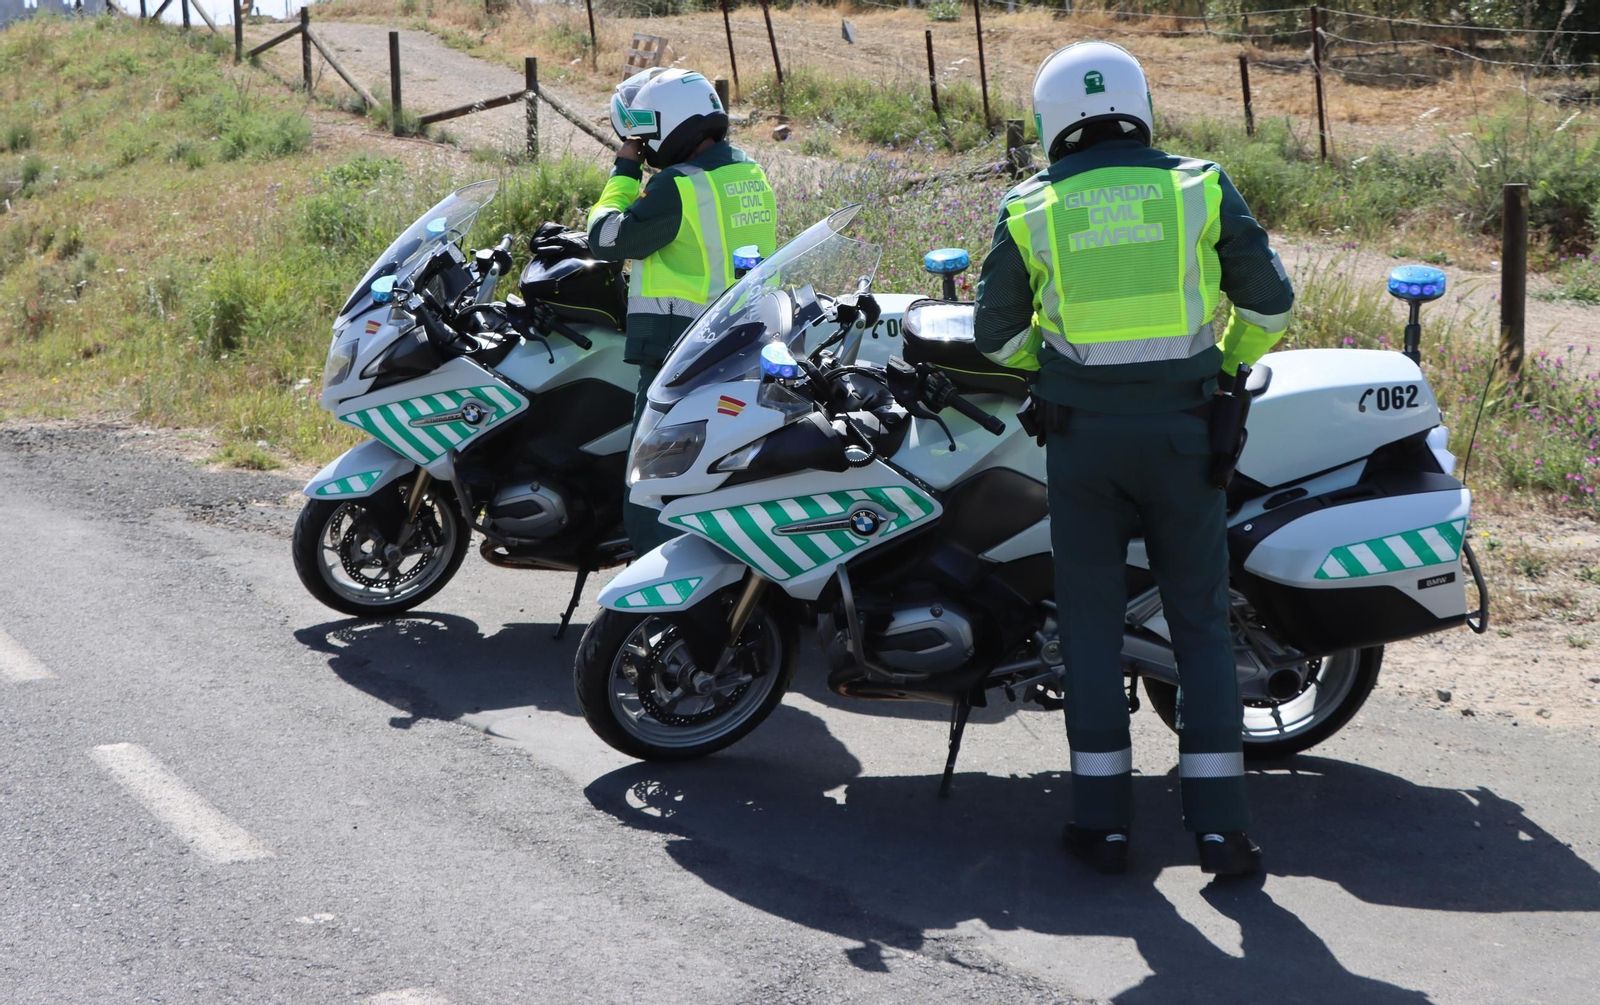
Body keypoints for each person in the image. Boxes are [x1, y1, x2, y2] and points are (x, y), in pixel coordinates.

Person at [973, 41, 1294, 877]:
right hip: (1189, 438)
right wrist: (1224, 364)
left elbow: (998, 337)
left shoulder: (1030, 206)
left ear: (1050, 120)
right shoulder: (1198, 184)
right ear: (1140, 104)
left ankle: (1102, 823)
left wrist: (1047, 372)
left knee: (1086, 626)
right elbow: (1270, 303)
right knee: (1199, 625)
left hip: (1083, 443)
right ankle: (1221, 829)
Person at [586, 68, 778, 555]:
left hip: (678, 351)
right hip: (738, 342)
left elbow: (607, 239)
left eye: (648, 132)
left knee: (651, 477)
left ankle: (653, 584)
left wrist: (625, 170)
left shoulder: (678, 185)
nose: (646, 145)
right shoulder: (747, 171)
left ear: (673, 123)